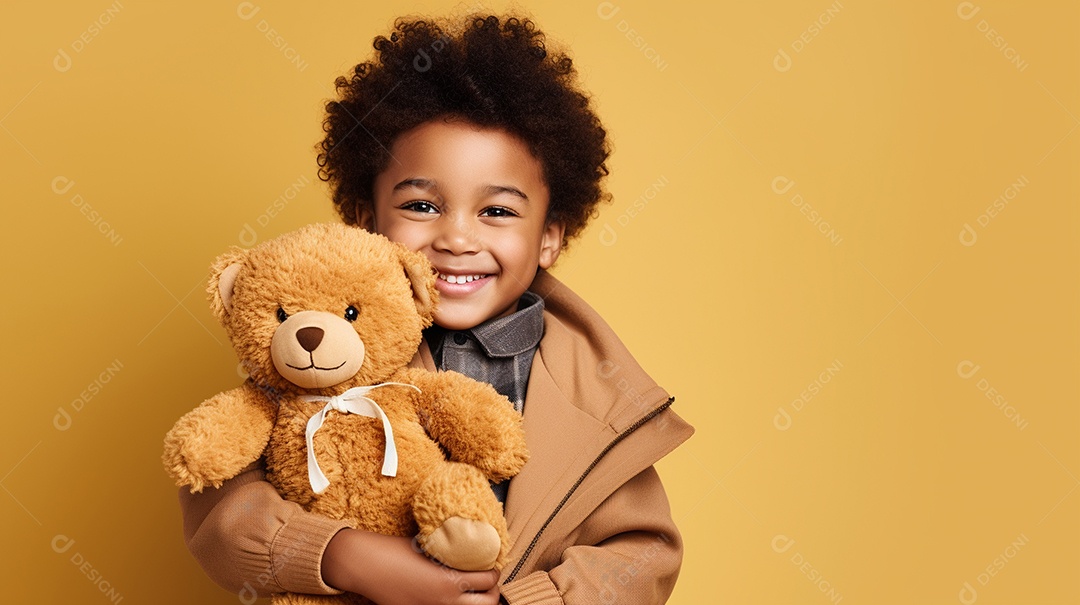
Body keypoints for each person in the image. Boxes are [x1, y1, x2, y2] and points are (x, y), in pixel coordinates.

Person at [177, 14, 694, 605]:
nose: (457, 238)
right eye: (422, 206)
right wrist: (343, 556)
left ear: (550, 237)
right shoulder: (321, 349)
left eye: (497, 212)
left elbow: (642, 555)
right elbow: (220, 513)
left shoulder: (599, 392)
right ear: (366, 221)